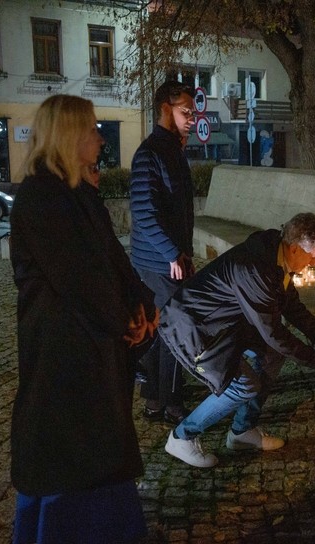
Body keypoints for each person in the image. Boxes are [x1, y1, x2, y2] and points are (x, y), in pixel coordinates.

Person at [8, 94, 159, 544]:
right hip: (64, 349)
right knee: (78, 448)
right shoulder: (40, 198)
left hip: (94, 341)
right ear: (69, 136)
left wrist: (143, 304)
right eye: (91, 129)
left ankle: (110, 539)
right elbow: (77, 276)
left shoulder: (79, 192)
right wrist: (124, 321)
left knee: (103, 444)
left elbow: (112, 257)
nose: (99, 137)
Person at [159, 213, 315, 468]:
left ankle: (242, 431)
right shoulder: (255, 269)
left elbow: (292, 308)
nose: (314, 262)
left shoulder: (277, 257)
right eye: (313, 255)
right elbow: (272, 332)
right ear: (294, 248)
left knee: (272, 355)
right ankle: (182, 436)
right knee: (244, 385)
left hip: (227, 324)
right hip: (194, 328)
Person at [129, 80, 197, 425]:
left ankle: (156, 401)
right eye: (185, 111)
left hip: (169, 260)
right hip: (156, 263)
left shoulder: (172, 150)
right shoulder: (150, 153)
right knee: (176, 331)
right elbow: (143, 211)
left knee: (164, 332)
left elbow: (177, 211)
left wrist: (183, 252)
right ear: (164, 109)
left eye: (193, 111)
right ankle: (171, 405)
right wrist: (173, 254)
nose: (192, 117)